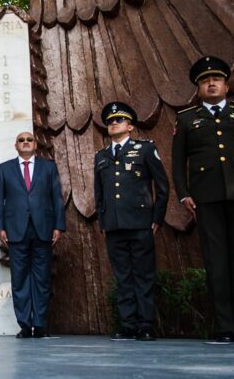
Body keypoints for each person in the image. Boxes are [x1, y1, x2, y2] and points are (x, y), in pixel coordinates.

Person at [172, 56, 234, 344]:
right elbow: (179, 162)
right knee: (216, 262)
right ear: (198, 88)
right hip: (207, 198)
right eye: (204, 80)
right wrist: (184, 194)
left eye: (215, 79)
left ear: (226, 85)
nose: (210, 83)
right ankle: (225, 326)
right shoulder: (187, 119)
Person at [94, 102, 169, 342]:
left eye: (118, 120)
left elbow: (163, 187)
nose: (113, 124)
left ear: (130, 126)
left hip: (140, 223)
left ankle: (145, 324)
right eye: (110, 121)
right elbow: (100, 192)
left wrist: (156, 218)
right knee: (123, 276)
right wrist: (103, 221)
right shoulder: (101, 155)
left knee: (143, 275)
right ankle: (128, 325)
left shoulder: (145, 149)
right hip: (114, 225)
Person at [0, 132, 65, 338]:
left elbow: (56, 198)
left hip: (43, 229)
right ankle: (25, 324)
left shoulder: (48, 167)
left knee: (42, 279)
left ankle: (40, 324)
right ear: (16, 145)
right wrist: (0, 228)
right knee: (20, 279)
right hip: (15, 231)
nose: (26, 142)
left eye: (29, 140)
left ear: (35, 144)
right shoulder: (4, 168)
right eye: (21, 140)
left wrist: (58, 226)